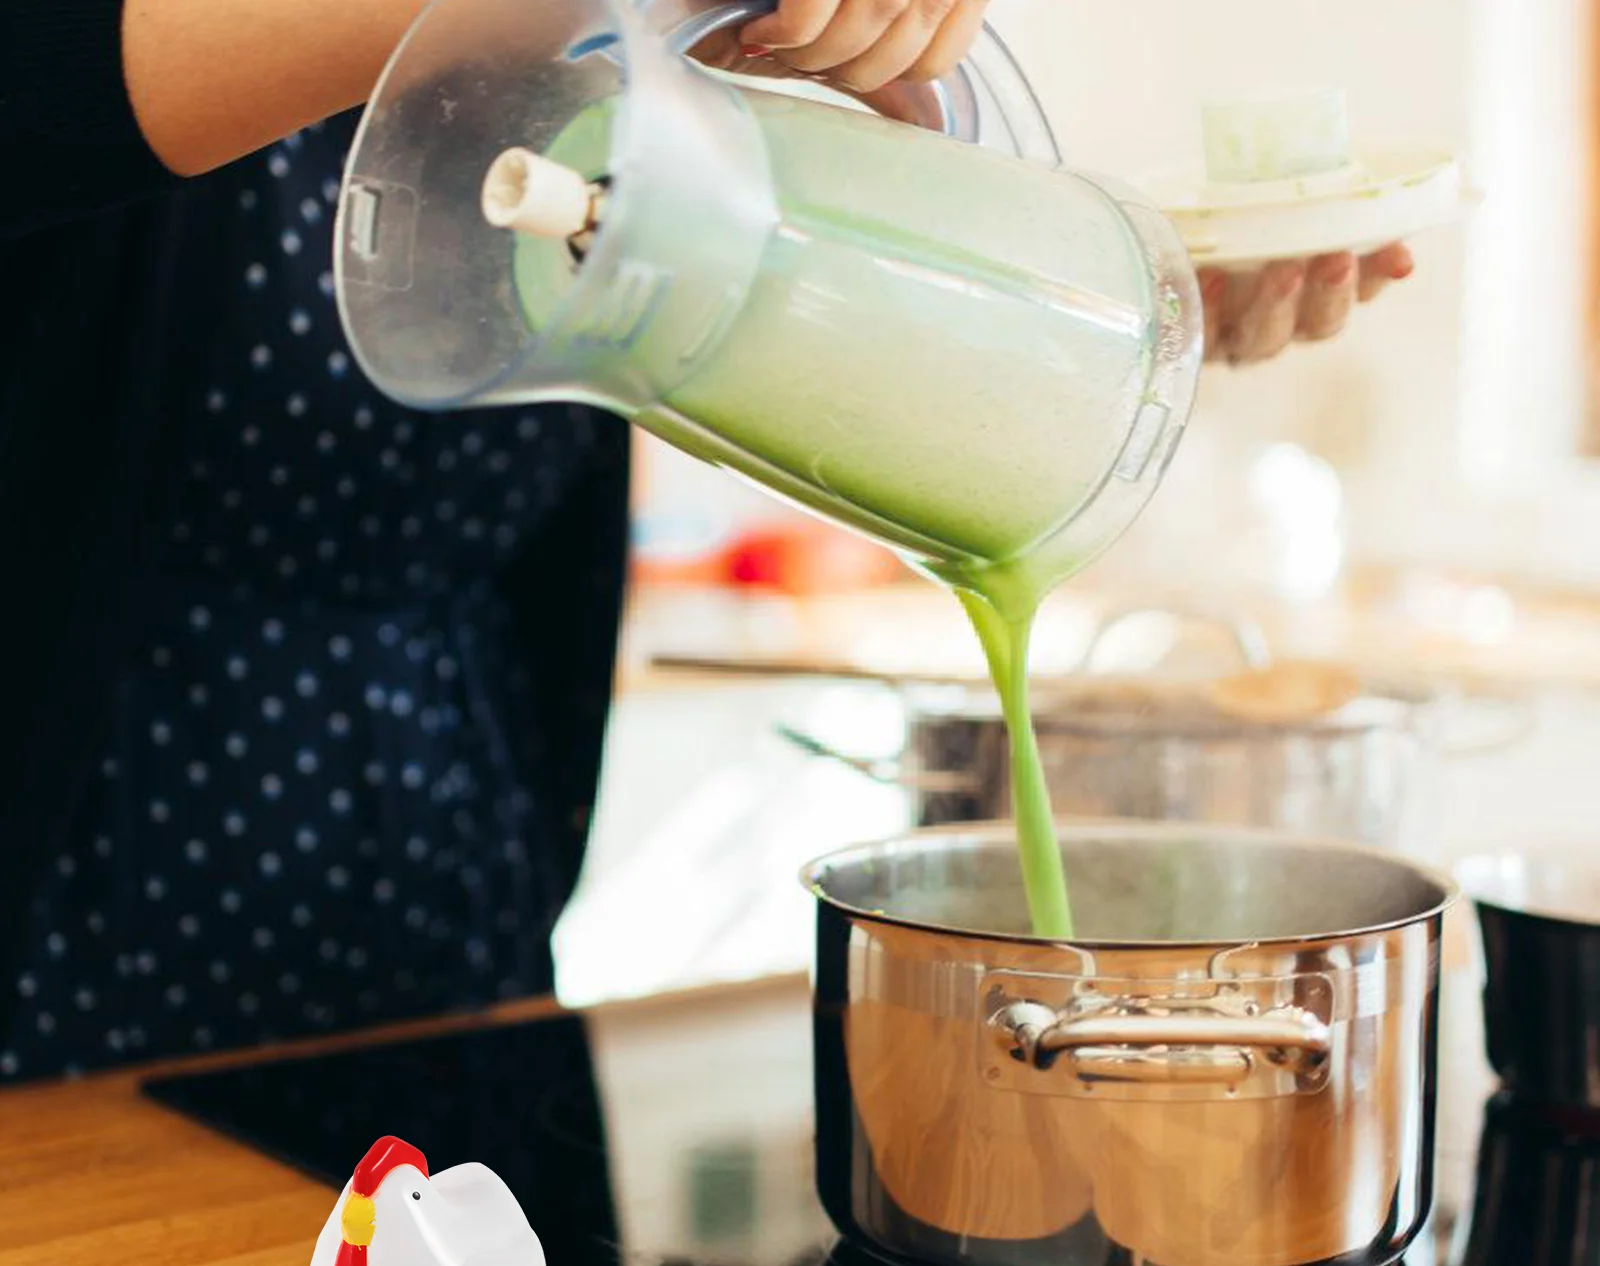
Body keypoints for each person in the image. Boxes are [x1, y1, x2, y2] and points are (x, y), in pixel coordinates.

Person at [0, 0, 1409, 1085]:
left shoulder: (569, 76)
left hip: (450, 909)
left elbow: (780, 312)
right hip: (80, 935)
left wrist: (1119, 307)